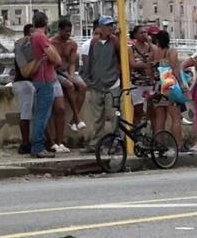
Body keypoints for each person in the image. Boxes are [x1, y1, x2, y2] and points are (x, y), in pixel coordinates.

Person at [79, 16, 122, 150]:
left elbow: (121, 59)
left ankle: (116, 142)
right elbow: (89, 63)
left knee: (114, 115)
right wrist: (89, 80)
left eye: (111, 25)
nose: (110, 28)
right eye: (107, 26)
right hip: (97, 84)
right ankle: (96, 142)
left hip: (112, 83)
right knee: (97, 117)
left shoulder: (114, 41)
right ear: (100, 28)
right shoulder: (93, 43)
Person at [28, 11, 63, 158]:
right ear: (46, 22)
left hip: (38, 79)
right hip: (44, 79)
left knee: (40, 114)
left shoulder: (33, 37)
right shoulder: (41, 37)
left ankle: (39, 145)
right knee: (42, 115)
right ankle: (37, 147)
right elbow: (57, 60)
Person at [149, 29, 188, 153]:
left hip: (157, 85)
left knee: (160, 118)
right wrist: (181, 85)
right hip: (169, 85)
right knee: (176, 117)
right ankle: (179, 144)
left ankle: (159, 145)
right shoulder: (171, 52)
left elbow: (148, 67)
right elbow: (175, 68)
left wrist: (154, 79)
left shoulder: (153, 53)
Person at [52, 19, 86, 134]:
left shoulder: (72, 44)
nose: (68, 34)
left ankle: (73, 121)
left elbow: (72, 63)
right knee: (70, 86)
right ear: (60, 30)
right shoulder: (52, 43)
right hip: (55, 72)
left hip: (67, 71)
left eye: (69, 31)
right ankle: (77, 118)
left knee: (83, 86)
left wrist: (71, 75)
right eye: (66, 31)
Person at [11, 24, 35, 154]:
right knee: (26, 114)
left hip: (25, 83)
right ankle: (25, 142)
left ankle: (28, 142)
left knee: (28, 113)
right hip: (24, 83)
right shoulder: (23, 47)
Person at [129, 25, 156, 124]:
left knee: (152, 110)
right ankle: (136, 134)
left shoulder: (151, 48)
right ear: (135, 35)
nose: (144, 34)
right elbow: (133, 64)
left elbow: (156, 55)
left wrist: (149, 42)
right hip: (137, 83)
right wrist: (147, 65)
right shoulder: (131, 49)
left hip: (150, 83)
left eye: (145, 32)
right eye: (141, 33)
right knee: (138, 110)